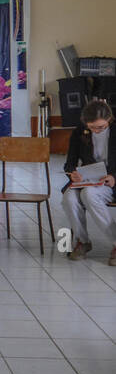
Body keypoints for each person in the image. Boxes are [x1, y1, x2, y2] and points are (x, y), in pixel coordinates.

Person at [62, 99, 116, 264]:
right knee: (69, 198)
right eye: (91, 127)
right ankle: (82, 241)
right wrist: (72, 174)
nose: (96, 130)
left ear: (110, 120)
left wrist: (114, 176)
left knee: (89, 195)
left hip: (110, 181)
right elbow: (70, 162)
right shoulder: (79, 131)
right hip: (86, 179)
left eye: (101, 127)